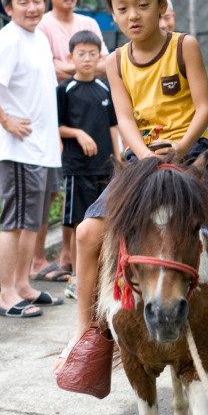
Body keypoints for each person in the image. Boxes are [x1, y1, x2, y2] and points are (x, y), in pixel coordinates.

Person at [54, 0, 208, 381]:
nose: (132, 15)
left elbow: (205, 108)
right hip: (142, 161)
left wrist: (181, 148)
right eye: (122, 8)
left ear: (161, 5)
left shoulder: (183, 45)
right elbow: (124, 118)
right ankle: (87, 335)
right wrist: (147, 156)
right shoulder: (114, 61)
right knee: (87, 232)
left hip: (196, 155)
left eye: (142, 4)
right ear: (112, 13)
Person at [0, 0, 63, 317]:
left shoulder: (37, 37)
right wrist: (5, 119)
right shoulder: (9, 38)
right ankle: (7, 295)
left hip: (39, 147)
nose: (32, 7)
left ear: (45, 2)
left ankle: (24, 285)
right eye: (22, 2)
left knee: (33, 221)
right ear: (8, 8)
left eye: (37, 0)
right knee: (16, 222)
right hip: (17, 148)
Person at [31, 0, 110, 282]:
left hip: (88, 110)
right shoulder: (43, 25)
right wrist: (79, 68)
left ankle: (68, 255)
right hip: (52, 112)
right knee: (54, 190)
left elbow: (104, 62)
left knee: (80, 188)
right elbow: (46, 66)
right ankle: (40, 259)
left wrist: (70, 66)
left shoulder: (89, 22)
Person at [58, 30, 120, 300]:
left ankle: (105, 274)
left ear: (100, 57)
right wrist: (79, 134)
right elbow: (57, 126)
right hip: (78, 168)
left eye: (92, 53)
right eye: (80, 54)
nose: (86, 59)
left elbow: (115, 125)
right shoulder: (64, 89)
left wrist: (119, 160)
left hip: (106, 168)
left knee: (108, 222)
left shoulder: (106, 87)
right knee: (77, 223)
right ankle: (75, 276)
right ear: (70, 57)